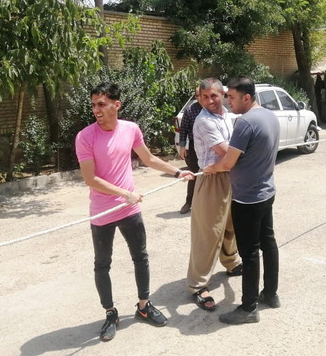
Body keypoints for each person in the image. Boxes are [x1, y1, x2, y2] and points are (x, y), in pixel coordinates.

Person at [75, 82, 194, 341]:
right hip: (102, 212)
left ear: (116, 105)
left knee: (140, 257)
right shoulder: (85, 136)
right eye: (93, 105)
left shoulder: (131, 129)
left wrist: (177, 172)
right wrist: (125, 194)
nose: (96, 110)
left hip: (129, 210)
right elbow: (90, 179)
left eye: (102, 104)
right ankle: (110, 313)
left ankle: (143, 306)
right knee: (102, 264)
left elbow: (148, 158)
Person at [204, 76, 281, 325]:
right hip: (266, 192)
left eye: (232, 97)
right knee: (268, 243)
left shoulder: (245, 123)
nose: (228, 101)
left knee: (249, 253)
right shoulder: (269, 116)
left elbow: (228, 162)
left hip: (247, 199)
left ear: (247, 98)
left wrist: (211, 168)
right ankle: (270, 294)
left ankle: (249, 308)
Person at [187, 78, 241, 311]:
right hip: (211, 179)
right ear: (199, 98)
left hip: (232, 175)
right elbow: (226, 152)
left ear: (223, 95)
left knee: (230, 224)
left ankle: (231, 263)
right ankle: (198, 285)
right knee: (208, 233)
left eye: (214, 96)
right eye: (204, 97)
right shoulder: (203, 121)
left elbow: (233, 155)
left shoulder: (228, 116)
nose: (209, 101)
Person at [178, 87, 202, 214]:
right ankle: (189, 202)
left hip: (211, 147)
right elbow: (183, 129)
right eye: (197, 95)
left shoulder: (212, 108)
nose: (199, 98)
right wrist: (182, 146)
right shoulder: (190, 110)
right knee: (193, 174)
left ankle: (206, 204)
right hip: (194, 146)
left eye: (201, 95)